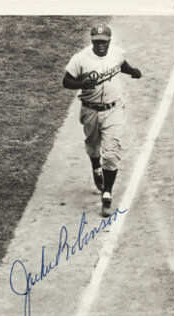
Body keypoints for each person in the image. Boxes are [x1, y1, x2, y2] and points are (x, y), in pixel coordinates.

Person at [62, 23, 142, 217]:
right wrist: (81, 83)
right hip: (90, 111)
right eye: (97, 42)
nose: (100, 45)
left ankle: (107, 193)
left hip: (114, 109)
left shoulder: (116, 52)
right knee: (92, 147)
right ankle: (96, 167)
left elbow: (120, 64)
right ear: (92, 41)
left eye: (104, 42)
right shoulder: (80, 59)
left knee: (112, 152)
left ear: (109, 41)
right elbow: (66, 81)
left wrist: (132, 71)